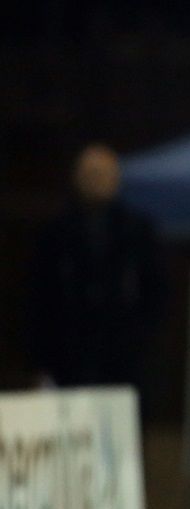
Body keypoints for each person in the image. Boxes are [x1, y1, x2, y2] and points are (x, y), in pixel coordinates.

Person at [28, 143, 165, 393]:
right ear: (76, 178)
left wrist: (138, 337)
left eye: (103, 175)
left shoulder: (137, 231)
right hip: (68, 357)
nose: (96, 181)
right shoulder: (55, 233)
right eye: (90, 175)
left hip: (121, 357)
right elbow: (39, 298)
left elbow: (155, 291)